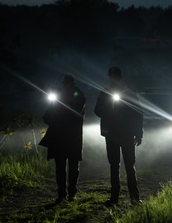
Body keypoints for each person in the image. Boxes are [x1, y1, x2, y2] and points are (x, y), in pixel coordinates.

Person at [94, 66, 144, 206]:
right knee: (117, 166)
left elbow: (138, 113)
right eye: (112, 76)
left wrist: (139, 134)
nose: (113, 79)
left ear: (117, 77)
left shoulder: (124, 92)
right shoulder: (107, 93)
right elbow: (97, 111)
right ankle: (120, 198)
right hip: (116, 134)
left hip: (120, 134)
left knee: (127, 165)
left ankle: (131, 198)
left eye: (114, 76)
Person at [39, 74, 86, 204]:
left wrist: (56, 122)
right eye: (65, 84)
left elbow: (77, 110)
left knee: (69, 166)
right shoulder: (71, 94)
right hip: (67, 136)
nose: (66, 86)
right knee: (65, 166)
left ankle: (69, 193)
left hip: (68, 136)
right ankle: (65, 193)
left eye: (67, 84)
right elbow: (47, 115)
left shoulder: (77, 94)